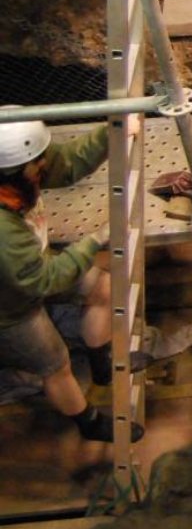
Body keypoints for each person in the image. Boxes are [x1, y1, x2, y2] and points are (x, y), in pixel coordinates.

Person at [0, 114, 143, 441]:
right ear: (16, 169)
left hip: (30, 269)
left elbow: (66, 162)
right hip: (10, 309)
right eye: (38, 162)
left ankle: (103, 365)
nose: (44, 165)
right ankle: (89, 423)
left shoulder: (16, 180)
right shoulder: (3, 230)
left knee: (103, 288)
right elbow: (43, 281)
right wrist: (93, 242)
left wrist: (113, 132)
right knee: (55, 363)